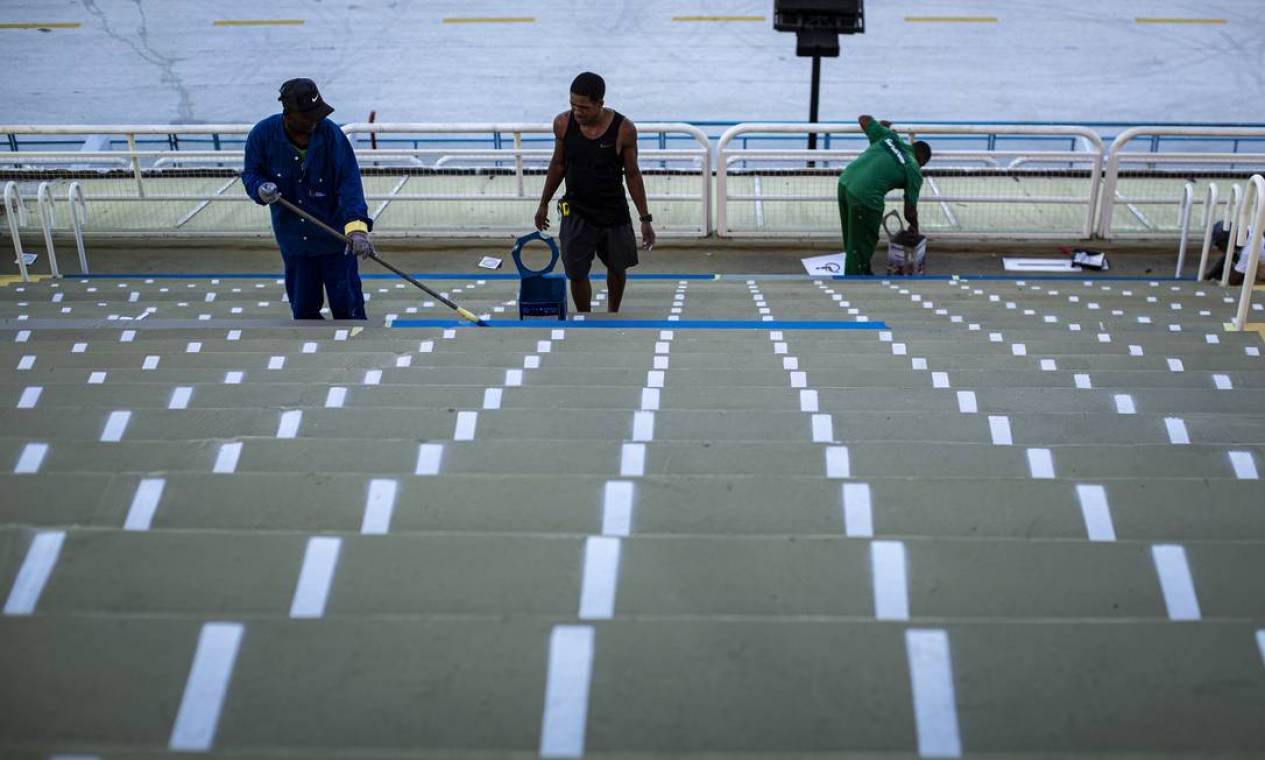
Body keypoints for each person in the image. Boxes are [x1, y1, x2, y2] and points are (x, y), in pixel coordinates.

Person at [243, 78, 373, 320]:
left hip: (336, 242)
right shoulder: (262, 135)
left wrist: (357, 229)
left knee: (349, 310)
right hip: (295, 244)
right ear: (288, 112)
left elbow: (349, 184)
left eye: (317, 114)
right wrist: (259, 188)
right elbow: (251, 173)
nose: (315, 121)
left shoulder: (331, 135)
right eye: (308, 116)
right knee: (304, 313)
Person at [534, 72, 655, 313]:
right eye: (573, 105)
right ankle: (584, 316)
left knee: (618, 268)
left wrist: (645, 219)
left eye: (584, 107)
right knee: (575, 271)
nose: (577, 112)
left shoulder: (624, 130)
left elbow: (632, 175)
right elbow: (558, 164)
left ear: (600, 103)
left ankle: (613, 313)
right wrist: (543, 202)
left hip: (613, 213)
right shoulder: (563, 124)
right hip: (577, 212)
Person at [837, 115, 932, 276]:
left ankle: (862, 272)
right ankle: (854, 281)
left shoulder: (890, 137)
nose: (921, 167)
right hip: (865, 196)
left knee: (852, 238)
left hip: (845, 183)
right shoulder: (913, 168)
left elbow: (864, 119)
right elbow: (909, 210)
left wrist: (882, 126)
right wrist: (914, 226)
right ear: (921, 158)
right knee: (864, 242)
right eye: (923, 164)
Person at [1205, 220, 1265, 286]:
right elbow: (1227, 257)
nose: (1218, 248)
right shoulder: (1244, 231)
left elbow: (1233, 281)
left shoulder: (1248, 252)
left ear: (1227, 242)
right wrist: (1209, 275)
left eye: (1218, 245)